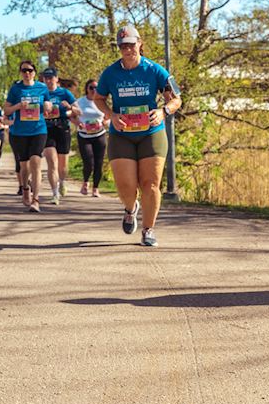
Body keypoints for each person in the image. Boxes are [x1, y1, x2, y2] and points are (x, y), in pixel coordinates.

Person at [95, 25, 181, 247]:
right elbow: (98, 98)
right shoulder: (110, 73)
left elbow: (176, 99)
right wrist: (111, 115)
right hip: (121, 134)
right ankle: (130, 208)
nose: (128, 49)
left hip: (151, 133)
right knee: (126, 186)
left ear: (140, 44)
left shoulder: (154, 70)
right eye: (123, 46)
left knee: (151, 183)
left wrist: (164, 111)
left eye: (131, 44)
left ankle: (148, 230)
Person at [4, 61, 49, 212]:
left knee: (36, 161)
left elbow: (47, 104)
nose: (27, 73)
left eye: (30, 70)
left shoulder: (42, 88)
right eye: (24, 70)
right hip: (19, 132)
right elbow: (7, 110)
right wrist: (18, 106)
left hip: (38, 129)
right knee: (24, 166)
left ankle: (36, 199)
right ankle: (25, 188)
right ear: (21, 72)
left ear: (35, 72)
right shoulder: (16, 89)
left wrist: (48, 106)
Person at [40, 67, 78, 205]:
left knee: (62, 165)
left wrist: (69, 107)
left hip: (62, 128)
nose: (49, 81)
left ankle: (62, 182)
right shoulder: (40, 93)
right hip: (47, 128)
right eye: (46, 78)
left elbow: (78, 111)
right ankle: (54, 193)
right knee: (52, 161)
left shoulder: (64, 93)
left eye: (51, 78)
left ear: (56, 79)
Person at [75, 79, 107, 196]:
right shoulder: (80, 102)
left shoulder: (102, 101)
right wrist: (78, 123)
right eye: (91, 88)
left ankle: (95, 188)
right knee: (89, 162)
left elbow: (108, 116)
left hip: (99, 134)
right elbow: (71, 115)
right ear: (86, 89)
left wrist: (105, 123)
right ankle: (85, 182)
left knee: (99, 163)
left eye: (96, 88)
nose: (94, 90)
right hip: (84, 135)